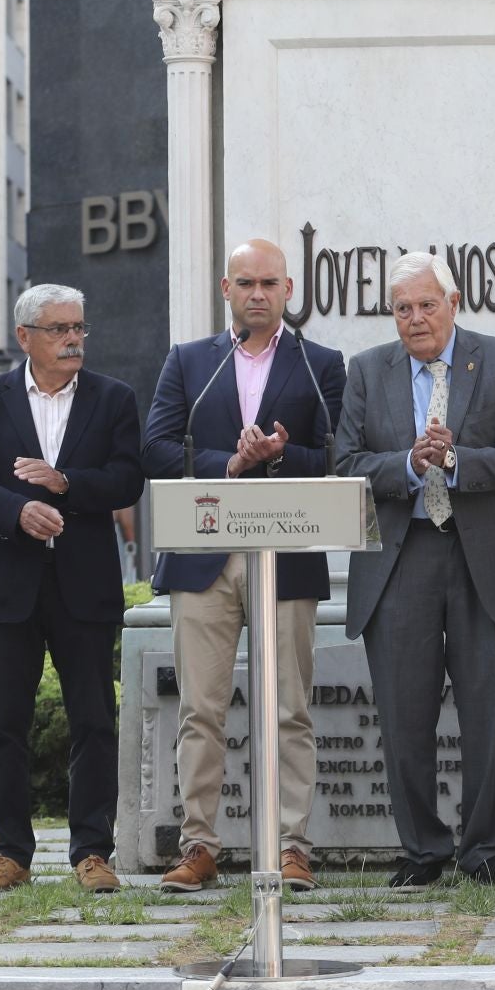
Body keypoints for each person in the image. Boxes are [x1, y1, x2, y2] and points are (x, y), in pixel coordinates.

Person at [144, 239, 345, 894]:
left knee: (291, 711)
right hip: (202, 558)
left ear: (288, 290)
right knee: (200, 711)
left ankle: (293, 847)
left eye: (269, 283)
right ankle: (199, 845)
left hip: (285, 556)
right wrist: (227, 465)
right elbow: (157, 445)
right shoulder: (189, 362)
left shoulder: (321, 365)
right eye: (245, 283)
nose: (257, 294)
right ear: (224, 288)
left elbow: (341, 454)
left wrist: (280, 456)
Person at [333, 252, 495, 888]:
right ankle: (421, 851)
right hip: (402, 555)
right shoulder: (368, 370)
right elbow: (345, 463)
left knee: (491, 711)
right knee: (402, 713)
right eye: (403, 308)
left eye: (427, 305)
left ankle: (483, 849)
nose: (416, 318)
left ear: (453, 304)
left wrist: (452, 462)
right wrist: (406, 464)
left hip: (483, 555)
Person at [0, 284, 145, 895]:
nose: (72, 340)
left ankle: (92, 851)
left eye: (79, 328)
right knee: (5, 722)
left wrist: (63, 484)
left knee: (93, 720)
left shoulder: (114, 399)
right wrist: (18, 512)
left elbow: (126, 479)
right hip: (9, 586)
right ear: (25, 337)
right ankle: (11, 852)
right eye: (59, 329)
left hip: (85, 586)